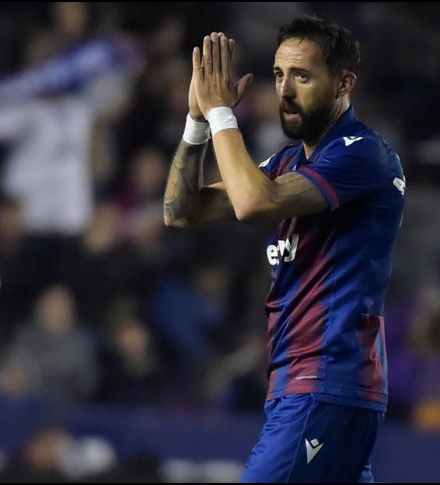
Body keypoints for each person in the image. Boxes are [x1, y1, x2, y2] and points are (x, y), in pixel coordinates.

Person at [164, 16, 405, 483]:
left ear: (343, 83)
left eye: (303, 75)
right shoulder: (288, 162)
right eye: (278, 75)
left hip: (326, 381)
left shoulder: (362, 152)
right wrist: (196, 120)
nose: (286, 90)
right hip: (310, 386)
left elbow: (255, 202)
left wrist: (220, 115)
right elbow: (181, 210)